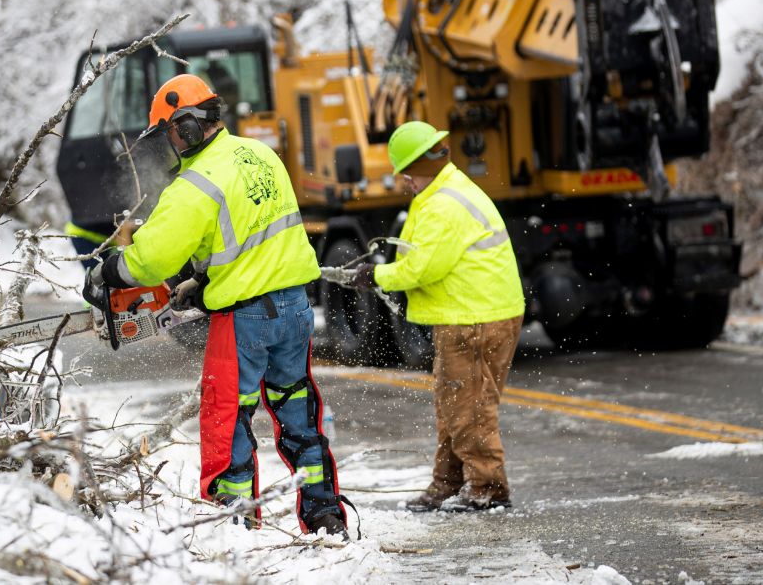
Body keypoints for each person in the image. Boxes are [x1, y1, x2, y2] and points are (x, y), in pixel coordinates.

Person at [84, 74, 349, 537]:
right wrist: (204, 281)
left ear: (184, 127)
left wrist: (108, 273)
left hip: (245, 320)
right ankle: (325, 515)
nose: (170, 143)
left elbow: (150, 259)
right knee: (298, 412)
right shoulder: (261, 154)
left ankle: (235, 526)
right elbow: (254, 233)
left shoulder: (196, 183)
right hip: (295, 308)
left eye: (169, 132)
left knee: (229, 421)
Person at [352, 121, 524, 512]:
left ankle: (488, 488)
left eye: (407, 174)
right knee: (455, 404)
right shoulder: (443, 191)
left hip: (476, 318)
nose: (405, 182)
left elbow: (421, 268)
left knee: (470, 409)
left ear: (421, 167)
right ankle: (447, 482)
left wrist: (376, 275)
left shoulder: (444, 203)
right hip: (470, 314)